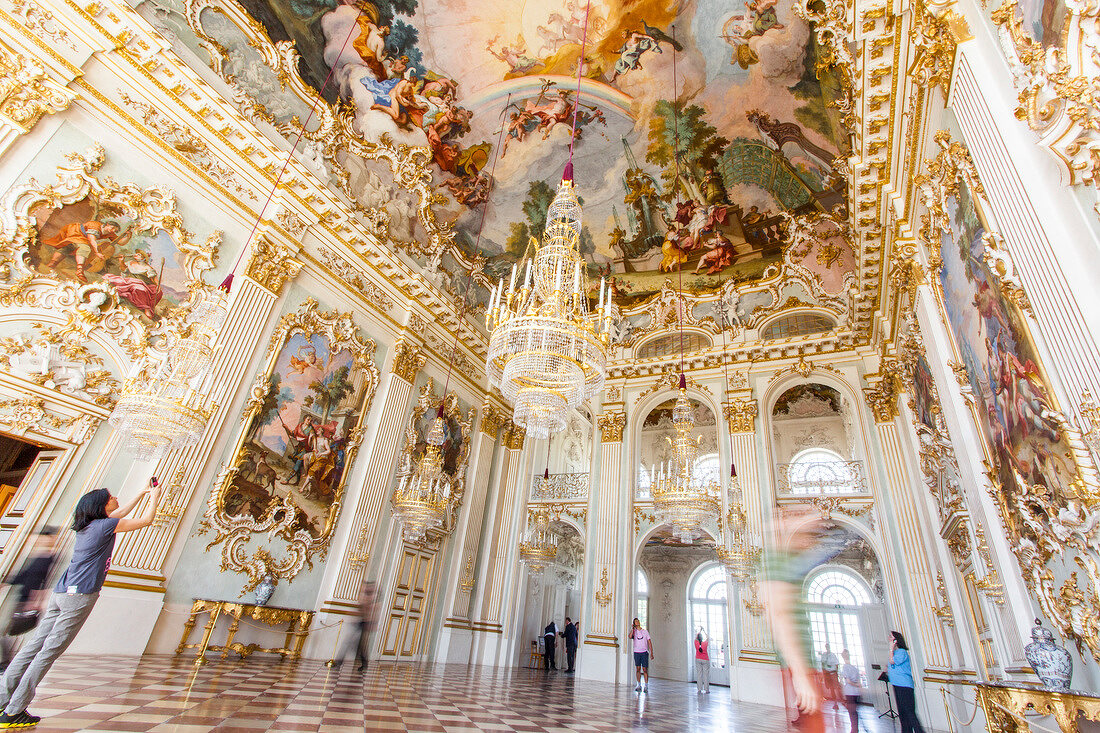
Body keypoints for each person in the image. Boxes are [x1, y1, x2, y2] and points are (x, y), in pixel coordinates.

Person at [0, 480, 162, 728]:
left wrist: (141, 493)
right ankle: (14, 711)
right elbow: (147, 520)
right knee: (49, 652)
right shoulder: (106, 526)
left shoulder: (89, 526)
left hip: (61, 592)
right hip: (80, 596)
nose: (115, 497)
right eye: (111, 496)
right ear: (101, 505)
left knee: (34, 647)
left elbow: (120, 513)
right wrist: (155, 496)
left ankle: (3, 699)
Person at [1, 529, 60, 668]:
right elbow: (23, 576)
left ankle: (7, 663)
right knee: (8, 632)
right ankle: (8, 661)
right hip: (22, 598)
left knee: (8, 632)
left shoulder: (49, 558)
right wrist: (5, 583)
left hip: (28, 600)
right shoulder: (38, 556)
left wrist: (36, 602)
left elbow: (45, 581)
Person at [886, 631, 926, 733]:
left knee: (909, 712)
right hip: (897, 684)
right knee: (902, 713)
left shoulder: (902, 652)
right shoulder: (894, 653)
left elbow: (892, 661)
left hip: (904, 685)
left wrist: (891, 648)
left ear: (896, 641)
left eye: (891, 637)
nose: (889, 639)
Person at [338, 581, 376, 672]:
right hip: (359, 622)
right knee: (355, 644)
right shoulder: (365, 597)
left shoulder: (370, 598)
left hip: (364, 623)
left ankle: (340, 661)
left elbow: (368, 611)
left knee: (352, 643)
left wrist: (370, 622)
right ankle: (363, 663)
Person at [628, 617, 653, 693]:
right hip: (637, 652)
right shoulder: (634, 632)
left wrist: (651, 652)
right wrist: (632, 629)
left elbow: (649, 642)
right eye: (636, 621)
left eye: (638, 621)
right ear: (634, 624)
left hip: (644, 652)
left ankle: (646, 685)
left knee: (645, 669)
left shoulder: (645, 632)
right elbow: (629, 636)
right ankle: (639, 685)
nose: (637, 622)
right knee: (638, 669)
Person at [840, 649, 862, 733]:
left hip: (850, 692)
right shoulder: (854, 668)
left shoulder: (845, 667)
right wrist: (857, 685)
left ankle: (854, 730)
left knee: (851, 712)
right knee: (854, 711)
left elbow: (848, 681)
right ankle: (855, 729)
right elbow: (858, 682)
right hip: (856, 692)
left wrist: (855, 685)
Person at [820, 643, 840, 710]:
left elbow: (837, 664)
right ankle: (835, 703)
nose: (827, 647)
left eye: (828, 646)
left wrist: (836, 673)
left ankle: (842, 701)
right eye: (826, 646)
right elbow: (822, 664)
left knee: (836, 687)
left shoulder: (833, 655)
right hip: (828, 673)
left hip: (833, 673)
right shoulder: (824, 655)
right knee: (831, 688)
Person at [694, 629, 710, 694]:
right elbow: (708, 637)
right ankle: (706, 690)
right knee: (706, 675)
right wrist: (704, 631)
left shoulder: (696, 643)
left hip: (698, 659)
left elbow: (696, 637)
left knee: (699, 674)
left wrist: (699, 631)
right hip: (705, 659)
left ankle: (699, 689)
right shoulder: (705, 643)